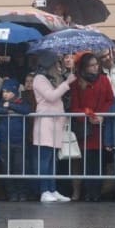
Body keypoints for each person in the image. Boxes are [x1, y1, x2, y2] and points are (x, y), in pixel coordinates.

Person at [32, 49, 76, 203]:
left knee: (53, 159)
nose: (58, 65)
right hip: (45, 122)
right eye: (56, 63)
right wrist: (66, 83)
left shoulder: (52, 78)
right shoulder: (39, 78)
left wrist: (65, 79)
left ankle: (52, 188)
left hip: (56, 122)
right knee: (44, 158)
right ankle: (44, 190)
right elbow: (51, 96)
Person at [70, 52, 114, 202]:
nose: (95, 67)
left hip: (102, 127)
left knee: (100, 162)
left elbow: (110, 100)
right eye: (92, 65)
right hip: (86, 129)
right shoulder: (77, 83)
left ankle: (97, 192)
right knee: (87, 162)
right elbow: (74, 107)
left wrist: (103, 115)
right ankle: (89, 192)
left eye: (97, 65)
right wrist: (87, 114)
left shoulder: (104, 80)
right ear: (85, 67)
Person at [0, 78, 31, 201]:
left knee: (20, 168)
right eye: (3, 91)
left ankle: (22, 192)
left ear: (15, 92)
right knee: (7, 168)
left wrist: (11, 105)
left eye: (8, 91)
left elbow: (27, 110)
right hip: (5, 140)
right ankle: (11, 192)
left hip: (20, 141)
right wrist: (6, 110)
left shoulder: (22, 102)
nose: (5, 94)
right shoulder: (1, 102)